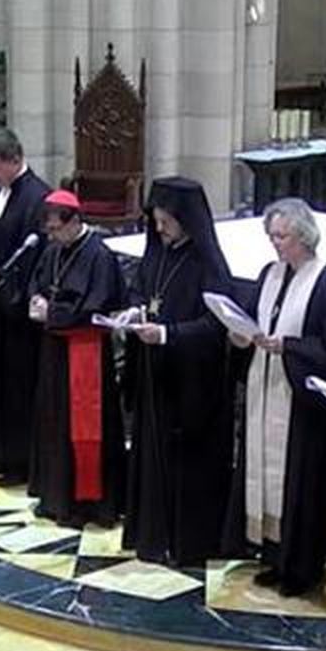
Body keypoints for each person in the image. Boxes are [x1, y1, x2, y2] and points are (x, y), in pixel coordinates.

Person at [231, 198, 326, 597]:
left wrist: (288, 346)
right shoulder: (271, 274)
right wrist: (242, 336)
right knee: (266, 480)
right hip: (266, 391)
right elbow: (255, 319)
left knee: (298, 486)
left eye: (282, 236)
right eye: (271, 235)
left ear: (304, 237)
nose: (275, 244)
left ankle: (302, 567)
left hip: (301, 408)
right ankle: (273, 556)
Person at [120, 177, 235, 566]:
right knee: (150, 456)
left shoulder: (208, 263)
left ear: (186, 219)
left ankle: (185, 541)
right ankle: (149, 534)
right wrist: (134, 312)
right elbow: (141, 292)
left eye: (166, 221)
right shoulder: (158, 253)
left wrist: (168, 334)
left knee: (183, 466)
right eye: (155, 220)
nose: (159, 228)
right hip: (154, 375)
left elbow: (217, 326)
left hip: (191, 386)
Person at [24, 190, 127, 527]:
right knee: (53, 422)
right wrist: (37, 300)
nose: (51, 237)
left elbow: (95, 307)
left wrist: (50, 311)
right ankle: (56, 497)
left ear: (75, 222)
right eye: (49, 231)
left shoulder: (99, 256)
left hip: (85, 354)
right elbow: (38, 283)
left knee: (84, 429)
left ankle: (87, 504)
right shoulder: (54, 250)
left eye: (55, 229)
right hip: (53, 352)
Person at [0, 128, 50, 483]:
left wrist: (5, 282)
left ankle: (20, 458)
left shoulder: (38, 198)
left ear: (15, 160)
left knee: (16, 389)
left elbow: (39, 259)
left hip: (16, 315)